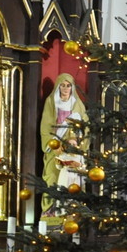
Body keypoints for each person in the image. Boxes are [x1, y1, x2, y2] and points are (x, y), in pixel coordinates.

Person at [38, 73, 87, 219]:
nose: (65, 88)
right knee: (52, 177)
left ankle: (69, 212)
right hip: (55, 146)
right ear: (58, 87)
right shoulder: (51, 102)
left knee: (70, 179)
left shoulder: (77, 104)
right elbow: (45, 126)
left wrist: (75, 140)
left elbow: (85, 126)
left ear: (72, 88)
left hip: (71, 148)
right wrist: (53, 144)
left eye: (68, 85)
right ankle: (50, 212)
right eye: (63, 85)